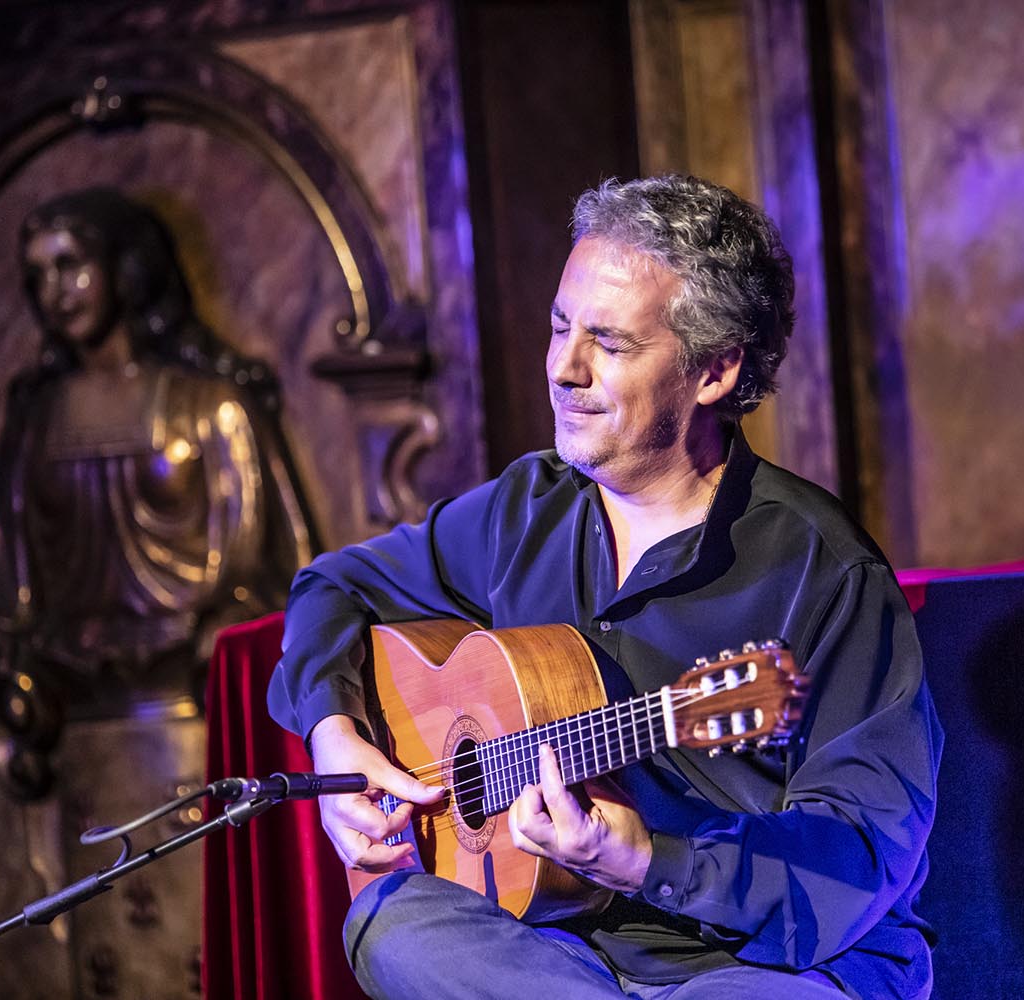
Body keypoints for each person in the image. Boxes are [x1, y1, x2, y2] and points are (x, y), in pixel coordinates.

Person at [268, 175, 941, 999]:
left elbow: (864, 855)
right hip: (559, 947)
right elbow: (334, 587)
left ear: (715, 371)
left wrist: (647, 860)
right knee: (392, 921)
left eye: (610, 345)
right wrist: (334, 733)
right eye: (559, 328)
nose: (563, 368)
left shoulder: (824, 570)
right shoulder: (530, 506)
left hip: (760, 964)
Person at [0, 186, 313, 794]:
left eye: (71, 265)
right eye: (39, 274)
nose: (55, 291)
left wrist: (236, 611)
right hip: (71, 714)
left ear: (123, 268)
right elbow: (6, 572)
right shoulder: (33, 422)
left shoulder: (210, 407)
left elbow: (274, 564)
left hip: (201, 695)